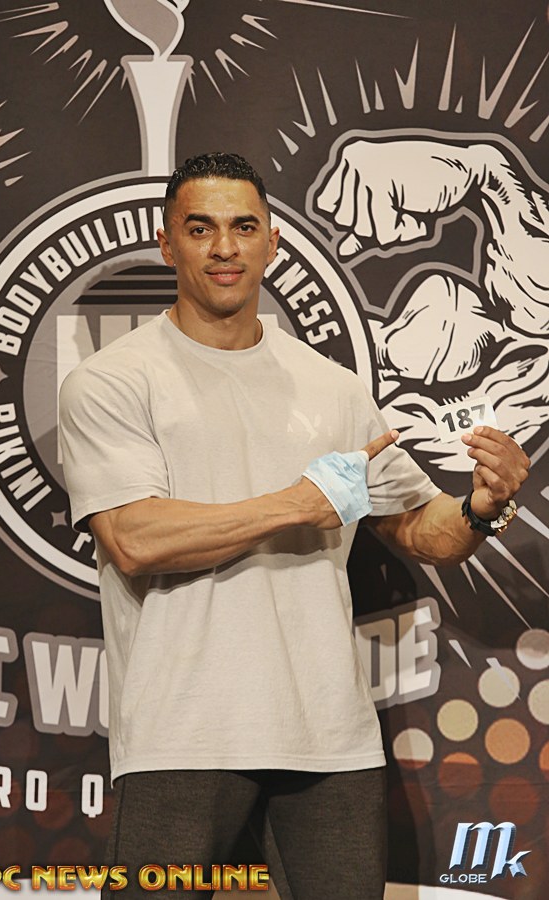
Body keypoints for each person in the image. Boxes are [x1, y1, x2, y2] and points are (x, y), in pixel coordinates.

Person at [58, 153, 530, 899]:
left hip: (327, 733)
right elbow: (135, 539)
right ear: (166, 244)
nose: (224, 248)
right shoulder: (112, 381)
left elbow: (420, 528)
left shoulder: (331, 389)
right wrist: (299, 504)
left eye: (244, 227)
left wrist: (481, 504)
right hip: (182, 732)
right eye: (200, 229)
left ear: (273, 242)